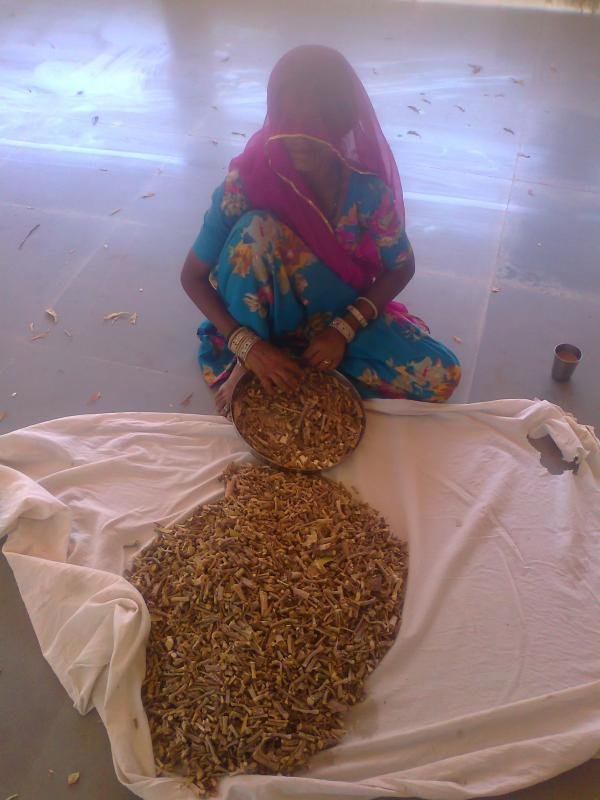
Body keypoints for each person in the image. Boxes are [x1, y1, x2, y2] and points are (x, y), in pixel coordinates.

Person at [181, 45, 461, 414]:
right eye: (288, 120)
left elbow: (401, 265)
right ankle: (253, 362)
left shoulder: (367, 191)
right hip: (263, 316)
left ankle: (297, 361)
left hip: (336, 313)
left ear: (343, 121)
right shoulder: (250, 178)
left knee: (441, 376)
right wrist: (248, 344)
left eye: (315, 123)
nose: (299, 136)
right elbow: (193, 277)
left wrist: (342, 330)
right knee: (256, 232)